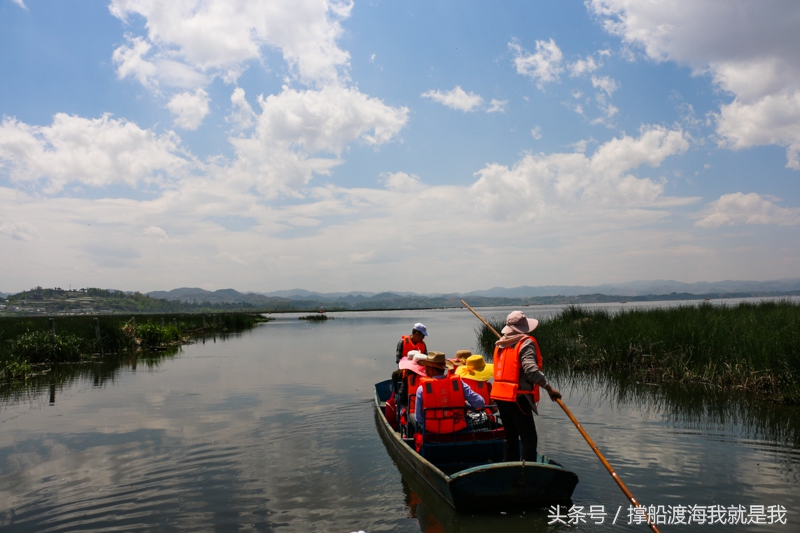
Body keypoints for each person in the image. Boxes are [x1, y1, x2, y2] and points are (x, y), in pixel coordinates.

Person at [491, 310, 561, 462]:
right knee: (529, 438)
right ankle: (527, 474)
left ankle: (511, 469)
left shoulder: (501, 343)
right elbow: (530, 369)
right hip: (518, 397)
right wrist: (549, 389)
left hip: (500, 396)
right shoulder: (525, 342)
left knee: (511, 437)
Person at [413, 352, 485, 435]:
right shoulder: (458, 384)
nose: (425, 370)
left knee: (413, 418)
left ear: (431, 370)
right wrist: (467, 406)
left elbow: (419, 418)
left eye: (426, 368)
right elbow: (480, 402)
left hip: (432, 433)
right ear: (444, 368)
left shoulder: (422, 388)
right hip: (458, 430)